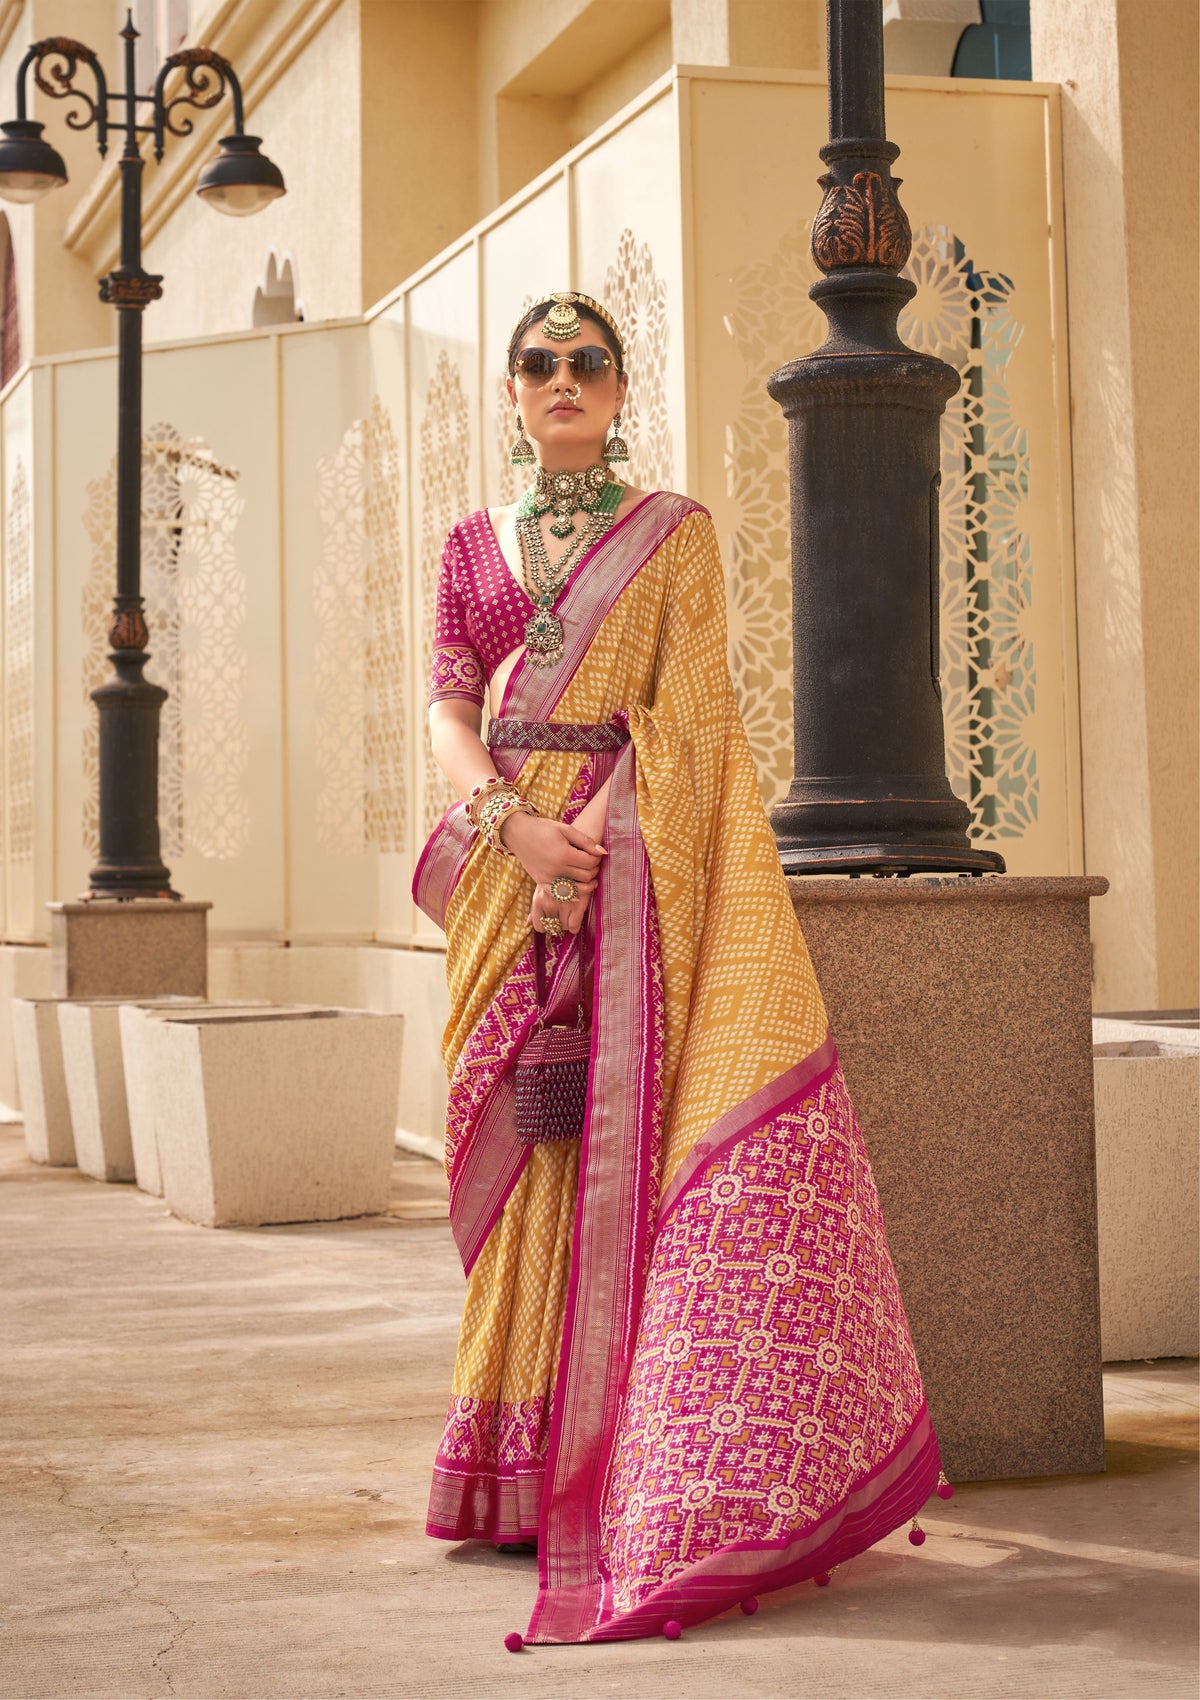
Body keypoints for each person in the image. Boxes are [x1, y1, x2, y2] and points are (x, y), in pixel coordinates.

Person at [416, 291, 946, 1646]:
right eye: (538, 365)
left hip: (627, 868)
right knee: (515, 1145)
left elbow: (696, 707)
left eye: (588, 364)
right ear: (513, 391)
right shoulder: (474, 545)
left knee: (612, 1150)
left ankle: (612, 1463)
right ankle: (506, 1468)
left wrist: (589, 840)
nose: (562, 383)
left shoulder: (675, 536)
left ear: (620, 385)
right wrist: (510, 828)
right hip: (504, 863)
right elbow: (448, 704)